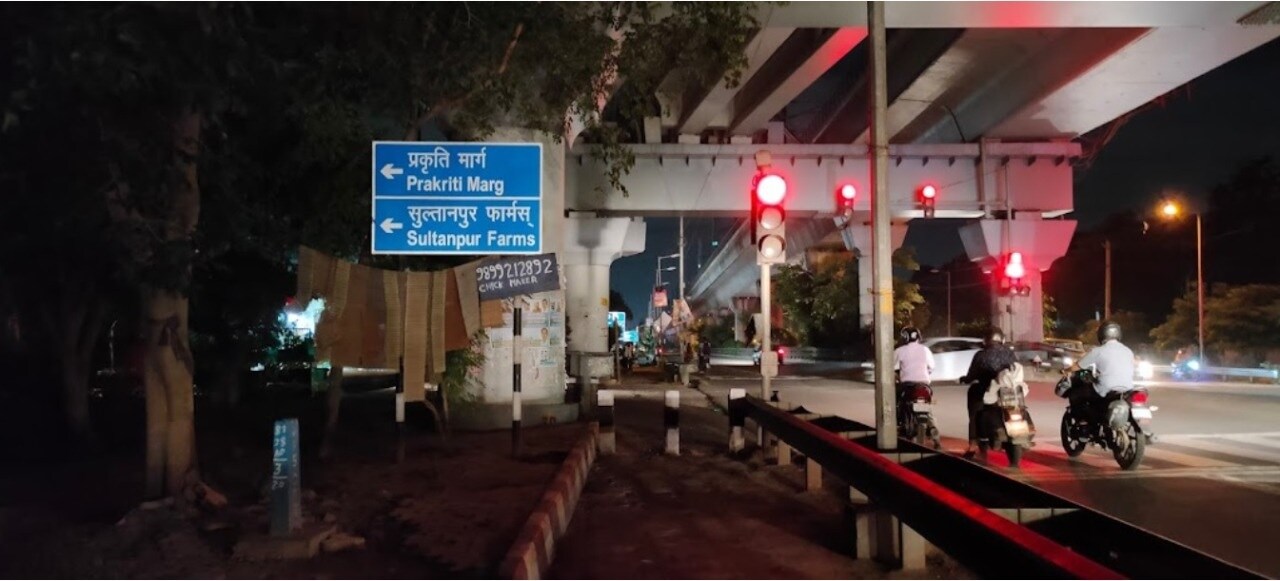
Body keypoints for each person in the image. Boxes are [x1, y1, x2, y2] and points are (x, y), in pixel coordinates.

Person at [960, 328, 1017, 458]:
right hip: (1007, 390)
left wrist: (965, 379)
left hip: (985, 390)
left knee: (974, 413)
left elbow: (971, 375)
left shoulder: (980, 355)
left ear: (986, 341)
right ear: (1002, 339)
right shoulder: (1010, 353)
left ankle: (973, 444)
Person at [1065, 320, 1136, 416]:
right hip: (1127, 389)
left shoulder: (1098, 351)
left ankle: (1083, 421)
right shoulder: (1128, 351)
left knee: (1076, 394)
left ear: (1102, 334)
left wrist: (1065, 370)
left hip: (1105, 389)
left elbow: (1077, 366)